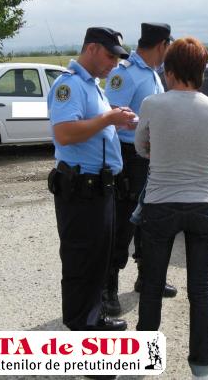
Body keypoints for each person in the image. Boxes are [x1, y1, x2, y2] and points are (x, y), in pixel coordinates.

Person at [135, 37, 208, 380]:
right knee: (200, 289)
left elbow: (141, 147)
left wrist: (161, 152)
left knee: (152, 285)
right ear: (201, 70)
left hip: (160, 203)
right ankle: (202, 366)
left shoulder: (152, 104)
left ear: (170, 70)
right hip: (204, 203)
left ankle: (144, 363)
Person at [47, 27, 137, 333]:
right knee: (81, 260)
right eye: (111, 56)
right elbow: (64, 133)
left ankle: (94, 318)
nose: (115, 63)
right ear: (92, 49)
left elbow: (90, 126)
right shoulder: (70, 85)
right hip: (80, 188)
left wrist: (115, 119)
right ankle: (82, 327)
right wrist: (109, 118)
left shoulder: (92, 86)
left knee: (98, 258)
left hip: (99, 186)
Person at [103, 23, 178, 317]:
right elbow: (110, 116)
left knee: (150, 218)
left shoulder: (153, 74)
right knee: (123, 222)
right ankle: (108, 288)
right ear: (162, 45)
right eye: (168, 47)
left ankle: (147, 278)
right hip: (128, 157)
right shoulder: (125, 74)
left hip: (149, 157)